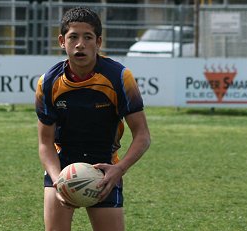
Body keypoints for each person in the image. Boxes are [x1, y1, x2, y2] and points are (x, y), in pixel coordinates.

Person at [35, 7, 151, 231]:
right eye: (73, 37)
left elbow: (143, 136)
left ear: (98, 42)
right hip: (62, 166)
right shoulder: (48, 82)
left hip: (105, 169)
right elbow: (45, 142)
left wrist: (119, 169)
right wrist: (57, 179)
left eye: (87, 37)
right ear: (62, 41)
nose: (80, 44)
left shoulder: (119, 77)